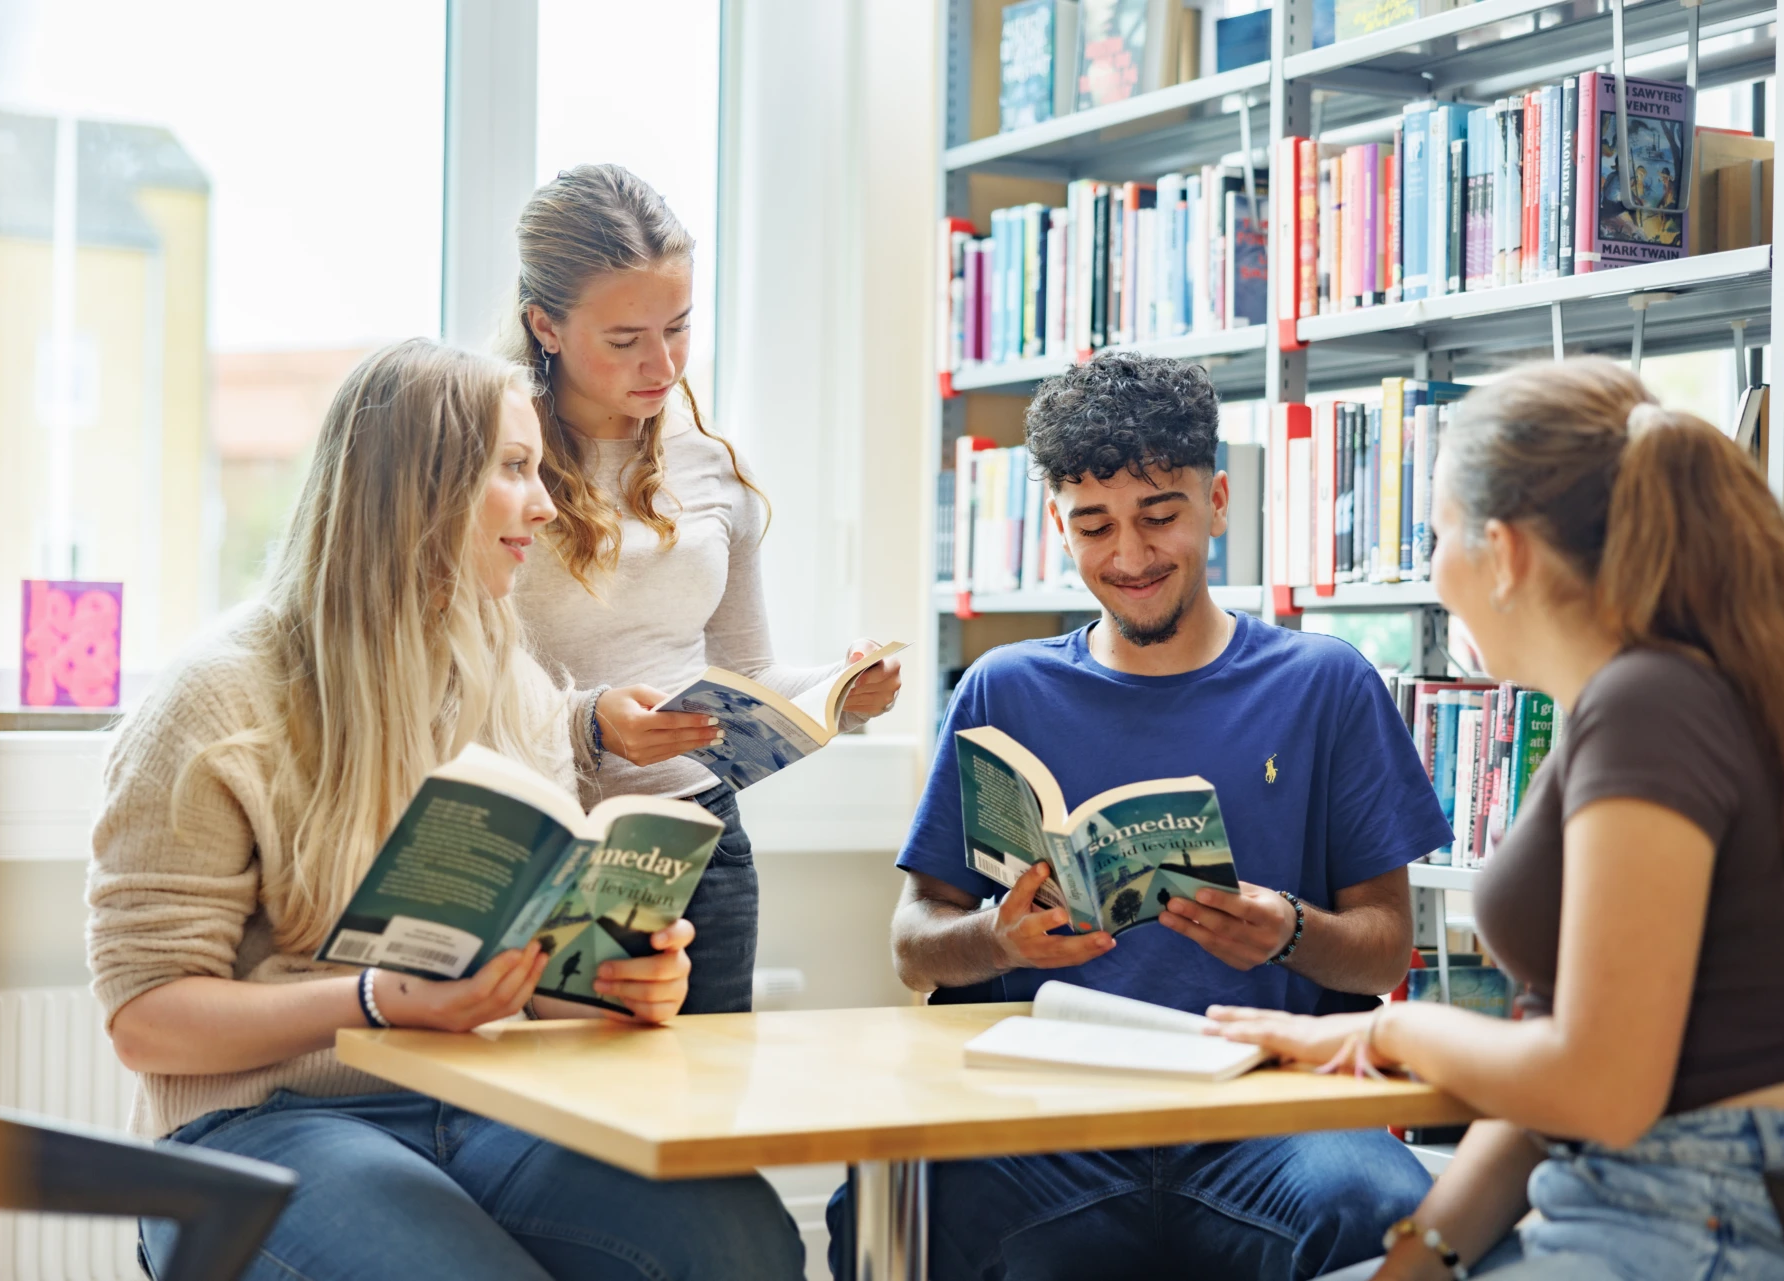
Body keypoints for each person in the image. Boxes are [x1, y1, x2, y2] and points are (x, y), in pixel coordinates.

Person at [90, 340, 804, 1281]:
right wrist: (377, 999)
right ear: (417, 492)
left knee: (739, 1242)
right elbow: (145, 1017)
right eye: (514, 469)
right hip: (260, 1121)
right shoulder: (217, 699)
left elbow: (510, 973)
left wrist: (610, 983)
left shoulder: (511, 686)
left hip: (482, 1098)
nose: (547, 504)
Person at [1211, 358, 1784, 1281]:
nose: (1431, 570)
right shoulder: (1634, 707)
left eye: (1439, 535)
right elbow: (1550, 1085)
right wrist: (1417, 1261)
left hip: (1709, 1215)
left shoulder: (1652, 706)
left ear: (1508, 553)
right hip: (1652, 1203)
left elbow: (1598, 1084)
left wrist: (1387, 1031)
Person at [827, 350, 1456, 1280]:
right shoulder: (1003, 689)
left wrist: (1286, 932)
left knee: (1391, 1209)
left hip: (1263, 1121)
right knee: (888, 1206)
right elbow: (913, 943)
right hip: (1051, 1127)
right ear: (1058, 524)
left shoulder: (1325, 684)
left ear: (1219, 501)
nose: (1129, 557)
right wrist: (998, 940)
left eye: (1160, 516)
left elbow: (1383, 945)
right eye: (1094, 526)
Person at [508, 163, 903, 1014]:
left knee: (698, 1117)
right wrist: (589, 724)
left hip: (697, 842)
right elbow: (442, 685)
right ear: (544, 323)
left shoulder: (711, 466)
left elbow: (742, 673)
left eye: (679, 327)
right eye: (625, 339)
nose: (662, 364)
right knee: (552, 1125)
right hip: (538, 840)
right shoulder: (489, 462)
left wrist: (844, 690)